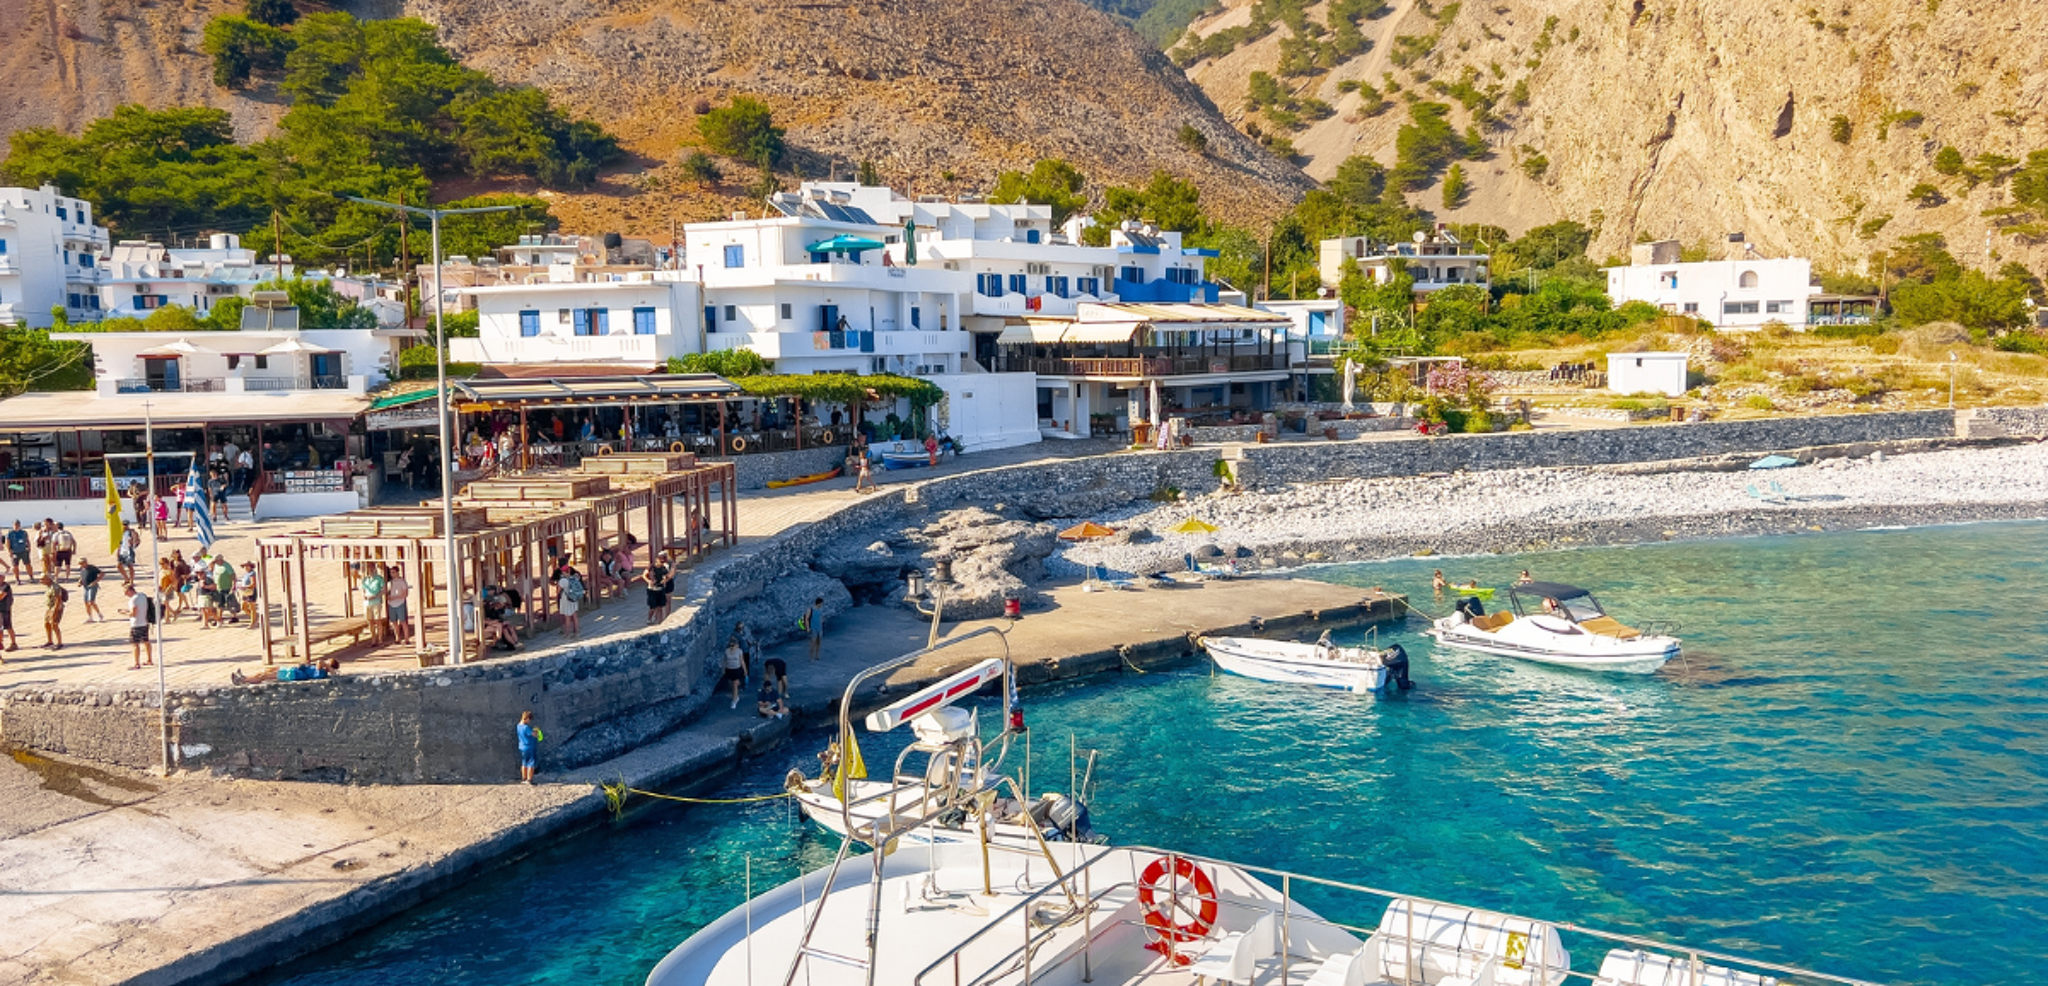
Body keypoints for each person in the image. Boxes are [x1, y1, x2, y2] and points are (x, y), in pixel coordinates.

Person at [123, 583, 155, 669]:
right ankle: (149, 659)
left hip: (136, 624)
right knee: (146, 641)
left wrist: (124, 613)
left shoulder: (133, 600)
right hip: (145, 622)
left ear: (130, 591)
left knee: (135, 644)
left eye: (126, 592)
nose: (125, 594)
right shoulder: (142, 595)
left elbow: (133, 613)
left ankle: (136, 663)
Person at [642, 551, 673, 624]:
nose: (661, 562)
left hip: (660, 588)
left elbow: (668, 576)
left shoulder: (663, 568)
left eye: (663, 561)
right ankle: (649, 619)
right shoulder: (651, 567)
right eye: (660, 560)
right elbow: (644, 575)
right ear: (657, 559)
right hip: (652, 589)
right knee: (653, 607)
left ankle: (660, 621)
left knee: (660, 606)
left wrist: (665, 580)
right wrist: (649, 581)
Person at [362, 563, 388, 645]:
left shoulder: (379, 579)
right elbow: (363, 590)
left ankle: (380, 638)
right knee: (370, 621)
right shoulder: (365, 580)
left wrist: (375, 596)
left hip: (376, 601)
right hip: (367, 602)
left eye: (371, 568)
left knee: (377, 620)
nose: (369, 570)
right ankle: (373, 638)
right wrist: (364, 596)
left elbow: (383, 590)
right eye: (368, 569)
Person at [556, 566, 584, 638]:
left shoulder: (563, 580)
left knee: (567, 616)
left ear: (564, 572)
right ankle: (577, 632)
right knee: (574, 615)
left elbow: (558, 591)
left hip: (566, 599)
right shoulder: (574, 578)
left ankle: (567, 633)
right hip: (574, 598)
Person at [385, 566, 410, 643]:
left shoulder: (402, 582)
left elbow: (405, 594)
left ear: (397, 572)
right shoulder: (389, 583)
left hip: (400, 603)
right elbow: (387, 593)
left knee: (403, 621)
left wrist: (395, 597)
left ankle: (406, 638)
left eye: (393, 572)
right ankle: (397, 637)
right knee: (394, 622)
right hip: (391, 604)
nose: (392, 574)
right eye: (391, 572)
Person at [722, 636, 748, 709]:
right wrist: (723, 669)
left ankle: (734, 701)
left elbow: (742, 661)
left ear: (737, 645)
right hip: (729, 669)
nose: (732, 646)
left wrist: (745, 670)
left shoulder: (739, 651)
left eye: (733, 645)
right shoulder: (726, 651)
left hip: (737, 669)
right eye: (731, 645)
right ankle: (735, 696)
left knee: (734, 686)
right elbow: (725, 661)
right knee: (731, 685)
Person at [41, 576, 66, 650]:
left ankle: (59, 643)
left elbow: (58, 600)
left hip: (56, 608)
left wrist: (55, 612)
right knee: (47, 623)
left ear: (48, 579)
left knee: (54, 624)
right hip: (50, 608)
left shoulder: (55, 587)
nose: (41, 581)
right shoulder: (49, 586)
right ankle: (50, 641)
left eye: (42, 579)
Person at [516, 711, 541, 784]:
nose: (529, 721)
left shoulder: (518, 726)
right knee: (531, 763)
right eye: (529, 719)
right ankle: (529, 779)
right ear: (526, 718)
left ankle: (524, 778)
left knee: (524, 762)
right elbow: (534, 734)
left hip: (521, 746)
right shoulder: (526, 727)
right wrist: (537, 731)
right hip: (529, 746)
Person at [78, 558, 104, 622]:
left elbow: (102, 573)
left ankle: (99, 614)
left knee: (91, 601)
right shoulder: (82, 569)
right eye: (80, 564)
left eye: (82, 563)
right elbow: (82, 576)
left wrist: (96, 581)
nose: (81, 565)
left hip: (92, 586)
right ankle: (90, 617)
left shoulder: (92, 568)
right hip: (85, 587)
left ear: (86, 562)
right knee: (86, 602)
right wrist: (80, 581)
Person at [237, 561, 260, 628]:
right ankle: (255, 618)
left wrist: (245, 587)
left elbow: (253, 584)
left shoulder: (252, 573)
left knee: (252, 607)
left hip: (251, 591)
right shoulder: (246, 574)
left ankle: (253, 622)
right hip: (246, 591)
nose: (245, 567)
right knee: (243, 607)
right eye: (245, 566)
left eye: (247, 566)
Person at [803, 596, 825, 662]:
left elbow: (821, 617)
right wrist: (808, 628)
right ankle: (811, 657)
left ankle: (817, 655)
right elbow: (806, 619)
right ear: (819, 603)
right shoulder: (810, 609)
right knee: (813, 642)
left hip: (819, 628)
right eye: (821, 603)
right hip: (813, 628)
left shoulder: (820, 610)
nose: (822, 605)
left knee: (819, 642)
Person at [0, 578, 16, 653]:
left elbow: (1, 596)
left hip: (4, 609)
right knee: (1, 628)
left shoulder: (6, 586)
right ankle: (1, 643)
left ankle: (13, 643)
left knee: (8, 626)